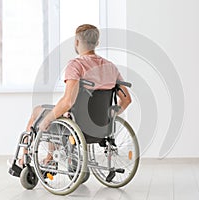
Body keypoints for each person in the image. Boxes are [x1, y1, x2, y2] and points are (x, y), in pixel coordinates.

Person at [19, 24, 132, 166]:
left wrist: (47, 120)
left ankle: (24, 160)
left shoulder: (76, 65)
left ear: (76, 42)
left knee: (40, 112)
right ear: (97, 43)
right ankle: (50, 159)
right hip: (102, 127)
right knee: (55, 114)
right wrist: (110, 114)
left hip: (79, 126)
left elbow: (68, 102)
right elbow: (127, 100)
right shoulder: (110, 67)